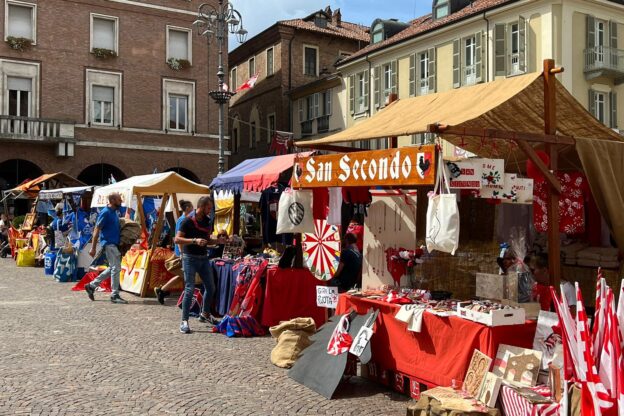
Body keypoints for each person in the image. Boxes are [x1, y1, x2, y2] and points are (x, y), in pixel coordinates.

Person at [175, 196, 227, 334]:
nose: (210, 211)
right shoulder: (187, 221)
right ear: (202, 207)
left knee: (211, 287)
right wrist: (194, 240)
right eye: (209, 208)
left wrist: (218, 241)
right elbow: (177, 239)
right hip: (189, 258)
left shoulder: (208, 221)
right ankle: (184, 321)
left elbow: (207, 240)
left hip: (203, 258)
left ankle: (205, 314)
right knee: (190, 288)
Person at [84, 192, 128, 304]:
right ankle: (114, 295)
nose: (121, 201)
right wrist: (93, 248)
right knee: (115, 268)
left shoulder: (114, 212)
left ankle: (91, 285)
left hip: (114, 244)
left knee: (113, 268)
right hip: (109, 244)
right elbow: (97, 229)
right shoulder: (105, 213)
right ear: (112, 200)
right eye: (119, 200)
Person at [154, 200, 194, 305]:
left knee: (184, 275)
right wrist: (181, 253)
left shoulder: (182, 219)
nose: (193, 209)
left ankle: (162, 290)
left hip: (183, 251)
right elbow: (179, 237)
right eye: (192, 207)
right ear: (188, 208)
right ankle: (163, 291)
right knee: (186, 275)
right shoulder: (183, 220)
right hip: (182, 252)